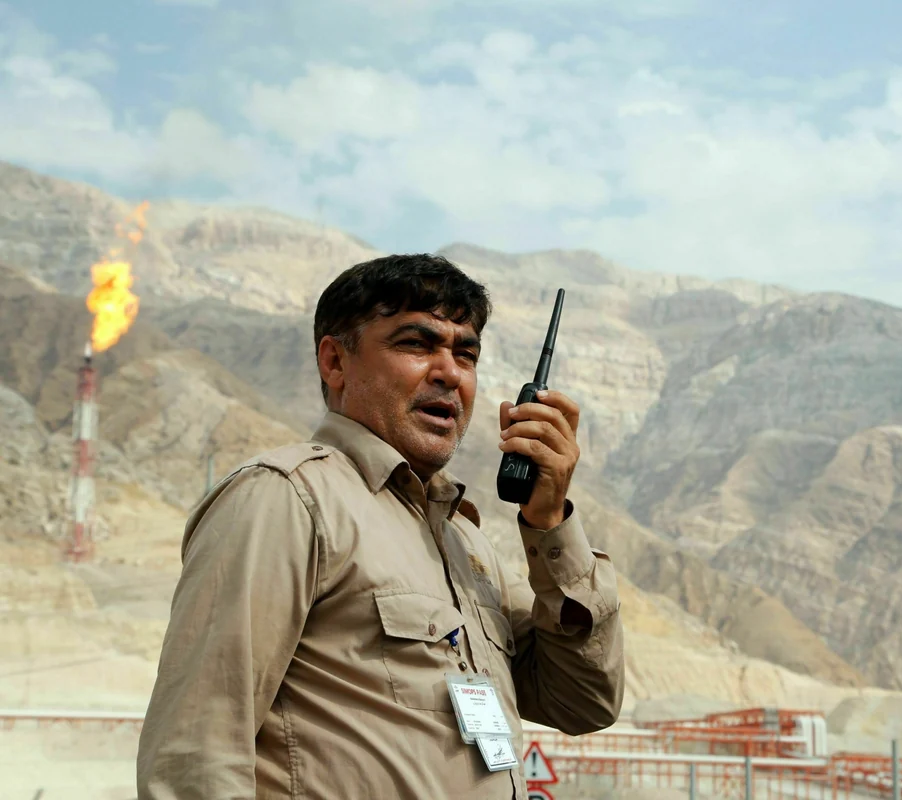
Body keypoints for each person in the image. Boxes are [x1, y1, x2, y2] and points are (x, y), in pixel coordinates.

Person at [136, 254, 625, 799]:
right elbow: (196, 756)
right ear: (335, 362)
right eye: (416, 344)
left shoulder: (464, 542)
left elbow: (582, 703)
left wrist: (549, 523)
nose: (449, 373)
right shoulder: (287, 499)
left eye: (466, 354)